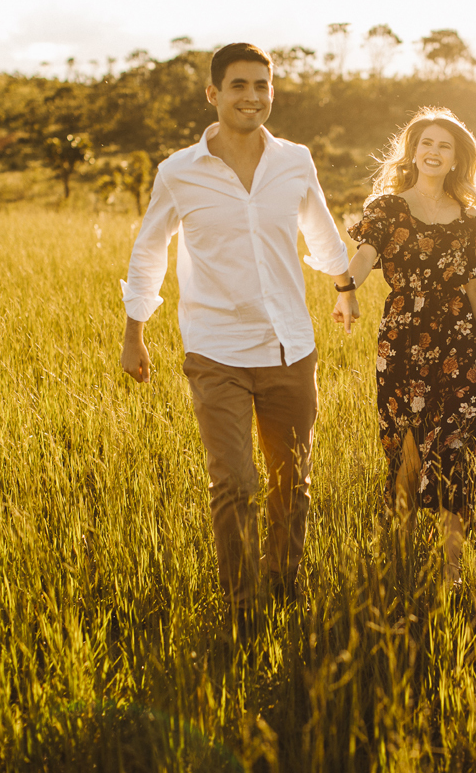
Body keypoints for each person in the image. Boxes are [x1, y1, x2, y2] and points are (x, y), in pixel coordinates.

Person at [119, 43, 360, 619]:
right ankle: (242, 606)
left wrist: (345, 287)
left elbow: (320, 231)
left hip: (289, 347)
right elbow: (149, 251)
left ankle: (282, 590)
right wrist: (135, 332)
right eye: (238, 86)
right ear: (213, 94)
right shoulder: (178, 172)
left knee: (292, 483)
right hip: (216, 349)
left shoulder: (295, 160)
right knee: (233, 483)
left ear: (271, 93)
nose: (252, 97)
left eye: (261, 86)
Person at [336, 107, 476, 587]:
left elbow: (473, 287)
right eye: (426, 143)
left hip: (460, 341)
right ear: (413, 151)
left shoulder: (467, 219)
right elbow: (365, 258)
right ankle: (398, 562)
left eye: (444, 146)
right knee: (406, 453)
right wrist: (347, 289)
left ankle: (451, 571)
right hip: (403, 339)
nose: (434, 152)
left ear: (455, 160)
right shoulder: (386, 207)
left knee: (456, 451)